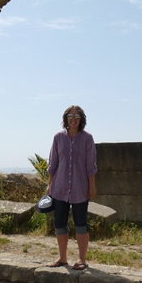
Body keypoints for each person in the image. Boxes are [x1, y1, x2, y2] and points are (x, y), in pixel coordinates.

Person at [46, 105, 97, 270]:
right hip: (59, 188)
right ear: (65, 118)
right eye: (70, 115)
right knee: (59, 224)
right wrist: (49, 184)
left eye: (76, 116)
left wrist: (92, 186)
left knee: (81, 224)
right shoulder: (58, 138)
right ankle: (62, 257)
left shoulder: (87, 139)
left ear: (81, 119)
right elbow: (53, 163)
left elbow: (91, 165)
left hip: (80, 188)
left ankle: (82, 259)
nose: (73, 119)